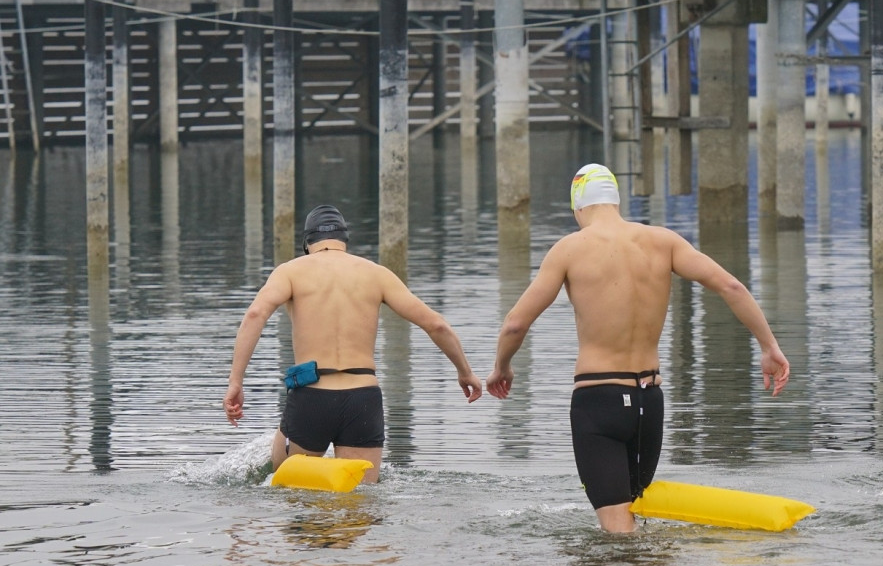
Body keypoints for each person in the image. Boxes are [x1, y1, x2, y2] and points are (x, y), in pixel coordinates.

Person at [485, 164, 791, 533]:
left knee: (617, 530)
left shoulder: (569, 249)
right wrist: (768, 346)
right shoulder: (664, 242)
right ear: (615, 201)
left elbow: (516, 323)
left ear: (578, 207)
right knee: (635, 515)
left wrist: (502, 366)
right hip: (650, 401)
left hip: (600, 402)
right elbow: (732, 287)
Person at [224, 205, 482, 481]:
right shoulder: (376, 273)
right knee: (359, 507)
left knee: (288, 496)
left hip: (312, 397)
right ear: (344, 240)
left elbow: (254, 314)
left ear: (307, 243)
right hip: (363, 399)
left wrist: (236, 381)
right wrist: (465, 372)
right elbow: (436, 324)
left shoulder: (290, 272)